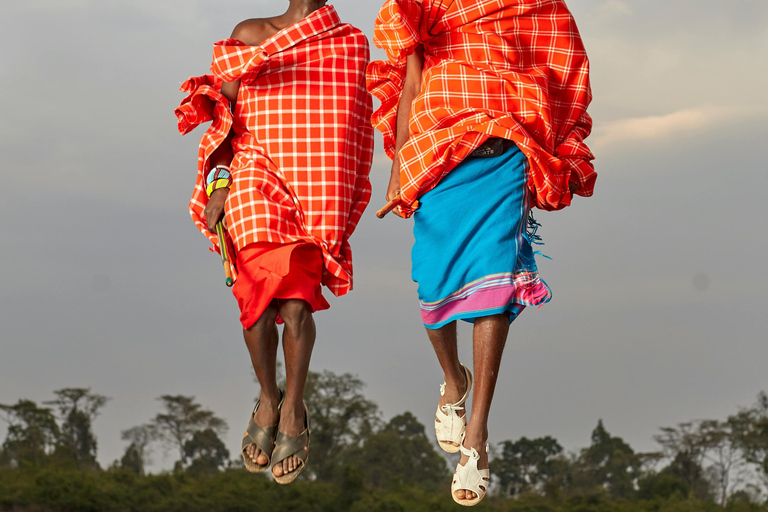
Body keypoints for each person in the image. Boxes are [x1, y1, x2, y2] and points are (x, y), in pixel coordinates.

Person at [367, 0, 596, 505]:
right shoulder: (425, 6)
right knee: (433, 288)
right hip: (437, 156)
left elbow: (559, 62)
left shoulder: (529, 5)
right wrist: (398, 169)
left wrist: (551, 140)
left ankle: (477, 435)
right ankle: (454, 380)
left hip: (505, 152)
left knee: (494, 285)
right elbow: (411, 86)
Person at [175, 0, 373, 483]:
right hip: (253, 178)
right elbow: (225, 123)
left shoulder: (348, 44)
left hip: (315, 191)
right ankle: (268, 397)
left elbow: (350, 132)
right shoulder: (250, 33)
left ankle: (294, 408)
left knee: (297, 306)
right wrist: (218, 187)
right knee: (259, 306)